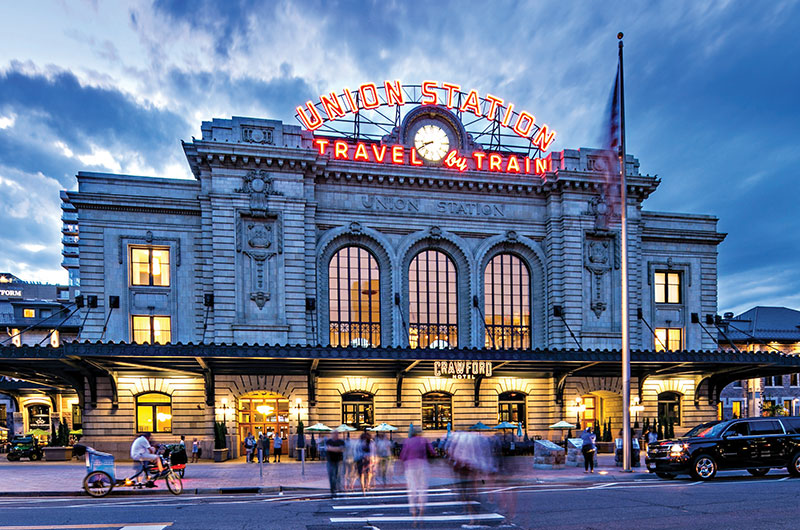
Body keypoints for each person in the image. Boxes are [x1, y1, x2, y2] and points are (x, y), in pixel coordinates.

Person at [399, 427, 435, 521]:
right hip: (422, 464)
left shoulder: (407, 441)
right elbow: (433, 452)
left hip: (410, 465)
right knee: (422, 488)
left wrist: (401, 466)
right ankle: (422, 508)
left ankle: (413, 511)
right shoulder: (424, 440)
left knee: (412, 489)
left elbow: (403, 455)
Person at [325, 431, 345, 497]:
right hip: (330, 461)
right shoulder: (329, 441)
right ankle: (333, 489)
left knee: (338, 475)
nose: (335, 435)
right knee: (331, 475)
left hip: (339, 461)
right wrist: (337, 449)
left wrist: (332, 448)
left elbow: (342, 449)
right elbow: (328, 448)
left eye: (336, 434)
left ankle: (338, 488)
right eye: (334, 434)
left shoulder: (341, 441)